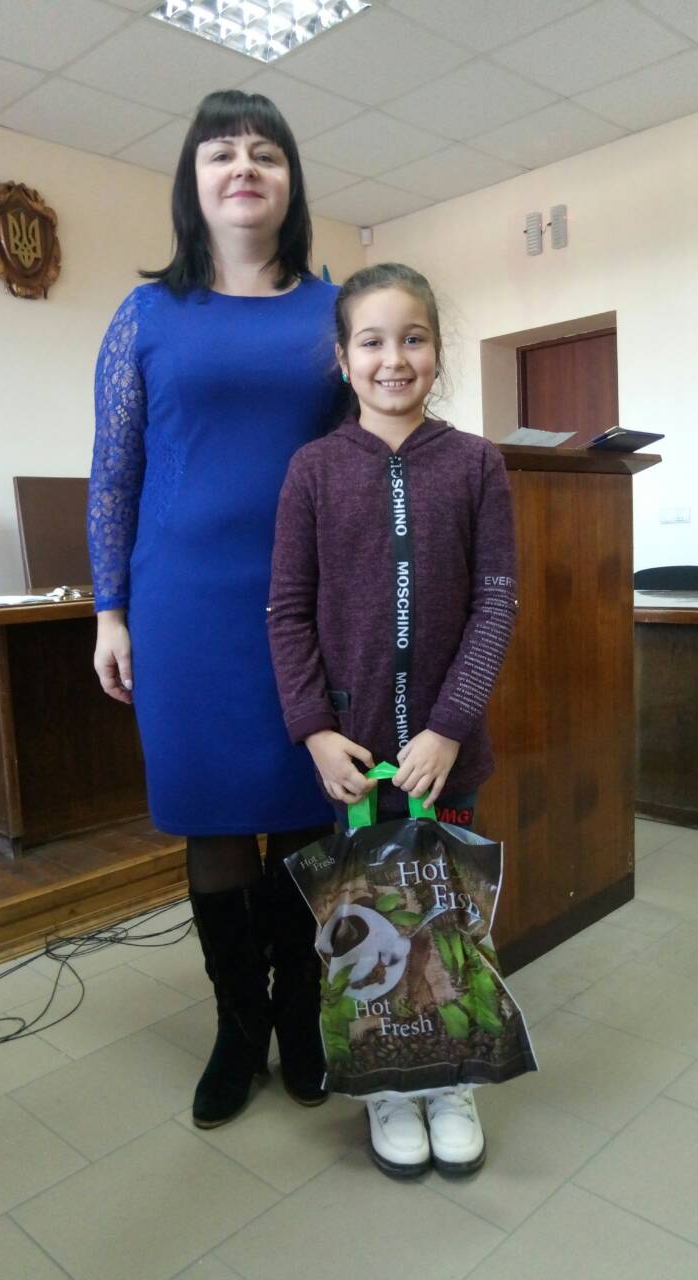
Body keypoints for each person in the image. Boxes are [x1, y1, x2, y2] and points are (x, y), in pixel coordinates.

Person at [87, 90, 344, 1131]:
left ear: (291, 181)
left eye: (265, 153)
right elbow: (114, 471)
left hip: (306, 606)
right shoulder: (145, 315)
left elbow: (371, 446)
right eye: (221, 153)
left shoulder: (335, 310)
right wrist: (110, 610)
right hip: (184, 608)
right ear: (192, 182)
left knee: (305, 813)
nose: (244, 167)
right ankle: (239, 1025)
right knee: (212, 818)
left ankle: (302, 1014)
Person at [267, 262, 519, 1177]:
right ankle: (386, 1083)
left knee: (444, 918)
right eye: (371, 341)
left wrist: (448, 727)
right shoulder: (314, 469)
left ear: (437, 352)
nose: (393, 358)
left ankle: (448, 1077)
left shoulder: (477, 464)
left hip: (445, 758)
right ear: (343, 359)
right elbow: (287, 611)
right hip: (355, 758)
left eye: (412, 338)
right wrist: (313, 730)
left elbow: (495, 603)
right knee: (365, 924)